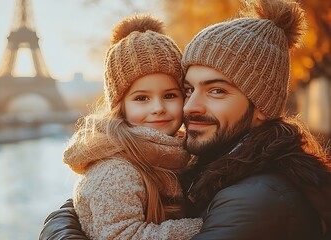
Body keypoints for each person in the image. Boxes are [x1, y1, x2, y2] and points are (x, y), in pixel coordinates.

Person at [39, 0, 331, 239]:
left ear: (262, 107)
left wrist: (59, 228)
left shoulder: (254, 200)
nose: (190, 106)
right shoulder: (207, 165)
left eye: (216, 90)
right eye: (189, 89)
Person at [41, 14, 203, 239]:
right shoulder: (116, 170)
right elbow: (121, 236)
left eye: (169, 95)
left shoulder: (179, 153)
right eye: (141, 98)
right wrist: (209, 225)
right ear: (120, 106)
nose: (158, 107)